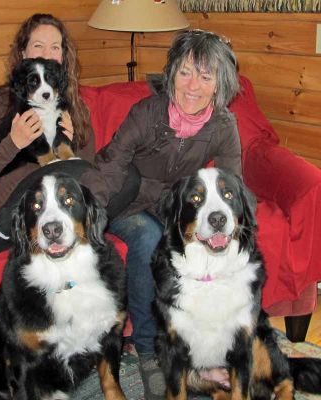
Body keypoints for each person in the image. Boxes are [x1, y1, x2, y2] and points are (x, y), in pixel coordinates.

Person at [79, 29, 241, 399]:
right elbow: (111, 167)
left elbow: (232, 186)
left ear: (220, 83)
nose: (193, 86)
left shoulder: (223, 125)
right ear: (171, 75)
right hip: (129, 201)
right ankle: (148, 351)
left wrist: (234, 234)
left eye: (205, 75)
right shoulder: (147, 114)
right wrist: (89, 220)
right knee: (151, 238)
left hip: (173, 209)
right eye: (185, 72)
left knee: (204, 252)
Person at [0, 13, 139, 288]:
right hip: (0, 204)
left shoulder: (74, 108)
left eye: (55, 47)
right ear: (23, 53)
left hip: (53, 211)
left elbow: (87, 176)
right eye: (38, 46)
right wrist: (12, 144)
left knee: (128, 175)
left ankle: (79, 239)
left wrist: (71, 148)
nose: (47, 53)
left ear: (63, 58)